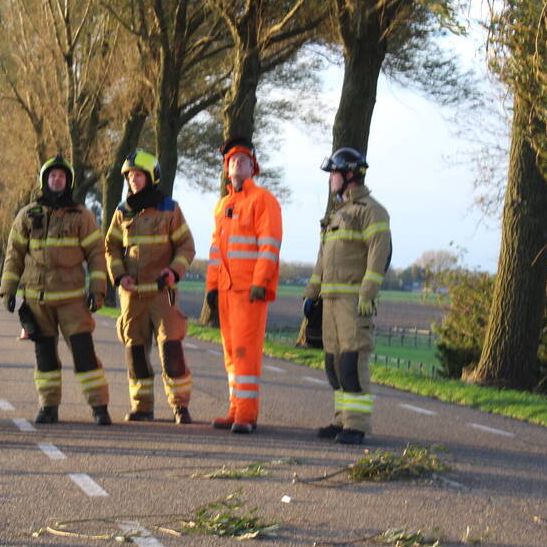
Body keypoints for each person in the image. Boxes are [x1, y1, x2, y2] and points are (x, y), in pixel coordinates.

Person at [0, 156, 112, 425]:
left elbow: (97, 254)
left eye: (61, 176)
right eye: (52, 176)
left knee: (84, 354)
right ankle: (48, 406)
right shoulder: (28, 214)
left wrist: (97, 290)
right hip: (38, 301)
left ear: (68, 182)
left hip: (72, 300)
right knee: (45, 357)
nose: (57, 180)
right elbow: (14, 254)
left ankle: (99, 407)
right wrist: (8, 290)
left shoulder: (82, 215)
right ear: (44, 180)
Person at [302, 147, 392, 445]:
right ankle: (341, 419)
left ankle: (357, 425)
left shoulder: (371, 211)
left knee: (353, 364)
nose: (330, 180)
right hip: (330, 300)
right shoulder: (336, 215)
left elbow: (379, 255)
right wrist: (312, 294)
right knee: (334, 365)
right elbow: (322, 259)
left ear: (349, 174)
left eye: (334, 174)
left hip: (354, 301)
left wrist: (368, 291)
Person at [105, 149, 195, 423]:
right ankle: (142, 407)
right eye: (130, 176)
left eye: (138, 175)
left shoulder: (170, 209)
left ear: (151, 177)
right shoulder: (122, 212)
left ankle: (180, 406)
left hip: (162, 294)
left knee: (171, 351)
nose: (133, 180)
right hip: (132, 297)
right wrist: (119, 277)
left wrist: (173, 271)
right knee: (136, 354)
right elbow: (111, 248)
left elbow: (186, 246)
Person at [206, 137, 283, 434]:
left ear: (254, 168)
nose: (238, 163)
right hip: (227, 290)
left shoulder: (263, 200)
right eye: (233, 161)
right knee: (231, 353)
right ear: (227, 170)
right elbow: (216, 250)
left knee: (246, 352)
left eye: (244, 160)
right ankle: (234, 409)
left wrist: (260, 282)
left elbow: (269, 245)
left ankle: (247, 415)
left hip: (250, 291)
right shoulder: (223, 205)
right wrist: (211, 287)